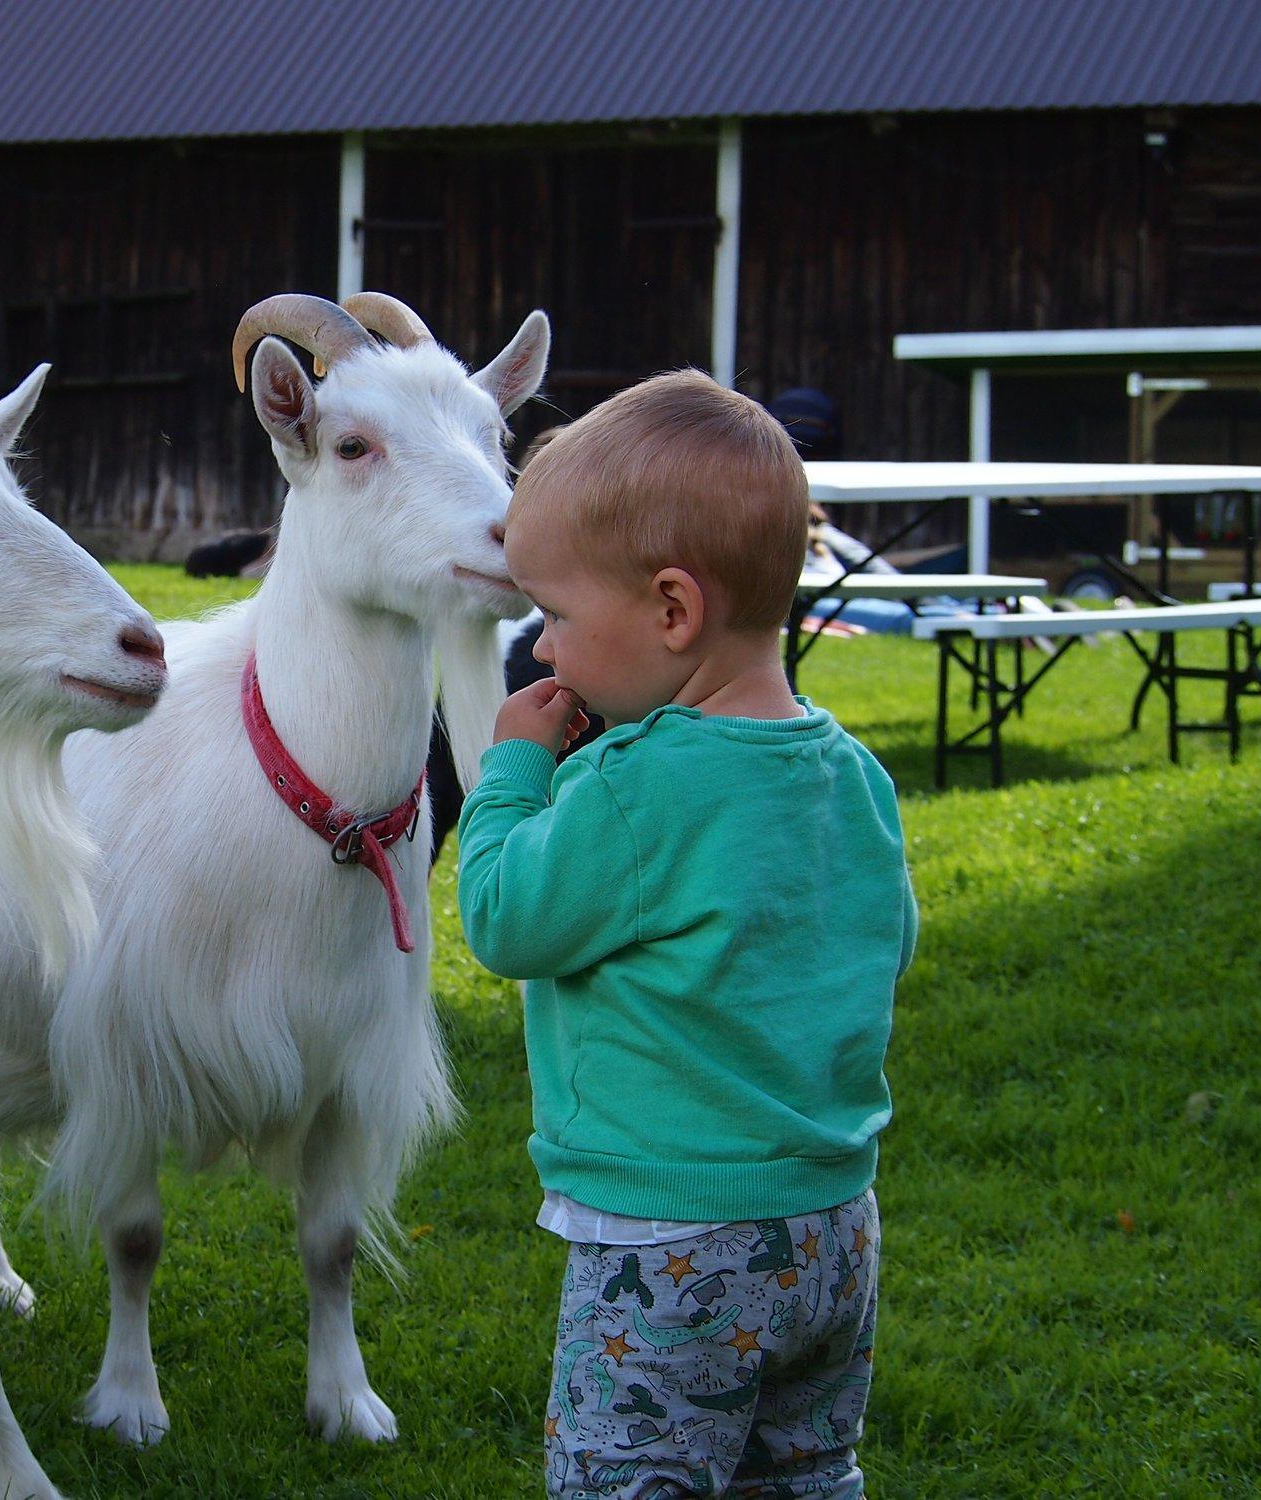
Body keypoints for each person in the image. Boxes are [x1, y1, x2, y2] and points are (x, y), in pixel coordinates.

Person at [455, 370, 916, 1498]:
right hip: (832, 1225)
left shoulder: (631, 785)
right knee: (804, 1477)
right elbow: (883, 942)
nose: (543, 651)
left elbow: (504, 918)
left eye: (557, 617)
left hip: (671, 1245)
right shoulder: (852, 773)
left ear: (672, 610)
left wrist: (510, 771)